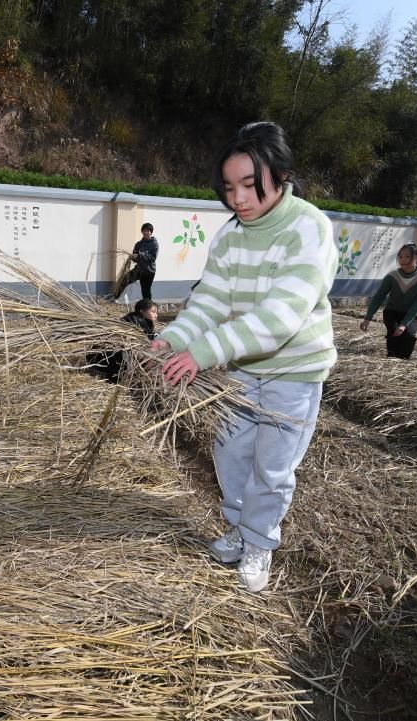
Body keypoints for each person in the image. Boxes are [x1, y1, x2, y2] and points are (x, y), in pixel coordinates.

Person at [150, 122, 337, 593]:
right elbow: (209, 302)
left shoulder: (308, 227)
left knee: (272, 467)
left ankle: (258, 543)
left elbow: (281, 316)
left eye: (250, 186)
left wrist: (204, 353)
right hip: (241, 369)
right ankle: (239, 526)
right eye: (230, 188)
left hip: (293, 371)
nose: (238, 199)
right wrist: (172, 340)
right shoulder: (230, 237)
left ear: (281, 175)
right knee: (231, 455)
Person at [359, 243, 417, 360]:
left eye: (407, 257)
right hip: (393, 311)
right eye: (400, 256)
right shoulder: (392, 276)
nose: (403, 260)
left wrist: (404, 324)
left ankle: (404, 361)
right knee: (394, 333)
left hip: (415, 313)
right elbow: (378, 297)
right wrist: (368, 318)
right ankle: (391, 359)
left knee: (408, 335)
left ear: (416, 258)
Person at [113, 222, 158, 301]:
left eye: (148, 231)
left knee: (145, 290)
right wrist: (133, 257)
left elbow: (152, 258)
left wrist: (140, 255)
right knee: (124, 280)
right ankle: (114, 297)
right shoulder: (138, 244)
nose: (146, 232)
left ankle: (148, 306)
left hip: (148, 271)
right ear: (142, 232)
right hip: (138, 269)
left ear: (151, 232)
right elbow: (135, 258)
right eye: (144, 231)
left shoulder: (154, 244)